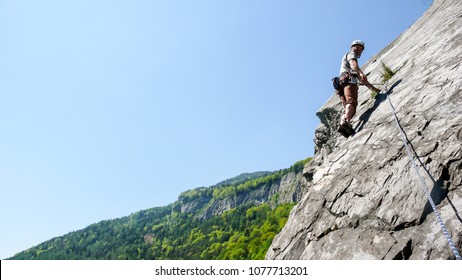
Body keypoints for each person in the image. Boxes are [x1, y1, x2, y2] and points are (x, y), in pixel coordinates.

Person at [337, 40, 380, 136]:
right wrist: (360, 73)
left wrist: (374, 89)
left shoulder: (350, 61)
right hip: (348, 79)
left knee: (348, 106)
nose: (359, 50)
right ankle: (346, 121)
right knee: (351, 101)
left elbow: (363, 81)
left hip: (341, 83)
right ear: (352, 47)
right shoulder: (351, 55)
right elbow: (353, 64)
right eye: (357, 47)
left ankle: (342, 124)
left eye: (361, 49)